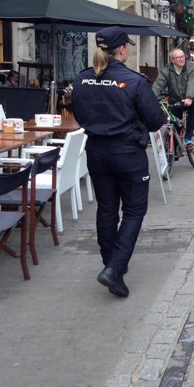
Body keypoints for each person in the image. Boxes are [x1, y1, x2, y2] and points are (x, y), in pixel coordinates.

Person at [72, 26, 164, 298]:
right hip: (127, 154)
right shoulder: (134, 81)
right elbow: (156, 120)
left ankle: (112, 268)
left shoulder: (82, 79)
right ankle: (113, 269)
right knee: (134, 211)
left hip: (97, 152)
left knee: (107, 210)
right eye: (128, 46)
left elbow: (78, 113)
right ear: (122, 49)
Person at [152, 48, 194, 145]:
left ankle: (188, 138)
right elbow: (158, 85)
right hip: (175, 100)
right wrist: (151, 98)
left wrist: (189, 97)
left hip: (191, 99)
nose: (181, 59)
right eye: (177, 57)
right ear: (172, 60)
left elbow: (192, 82)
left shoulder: (191, 68)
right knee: (174, 122)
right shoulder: (167, 70)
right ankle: (174, 150)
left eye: (182, 57)